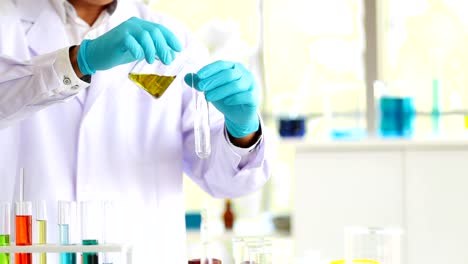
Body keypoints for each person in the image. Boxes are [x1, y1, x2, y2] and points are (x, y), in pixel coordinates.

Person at [0, 0, 270, 262]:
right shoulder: (6, 23)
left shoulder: (175, 38)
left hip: (142, 253)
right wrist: (77, 62)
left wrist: (242, 132)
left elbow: (226, 181)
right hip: (32, 251)